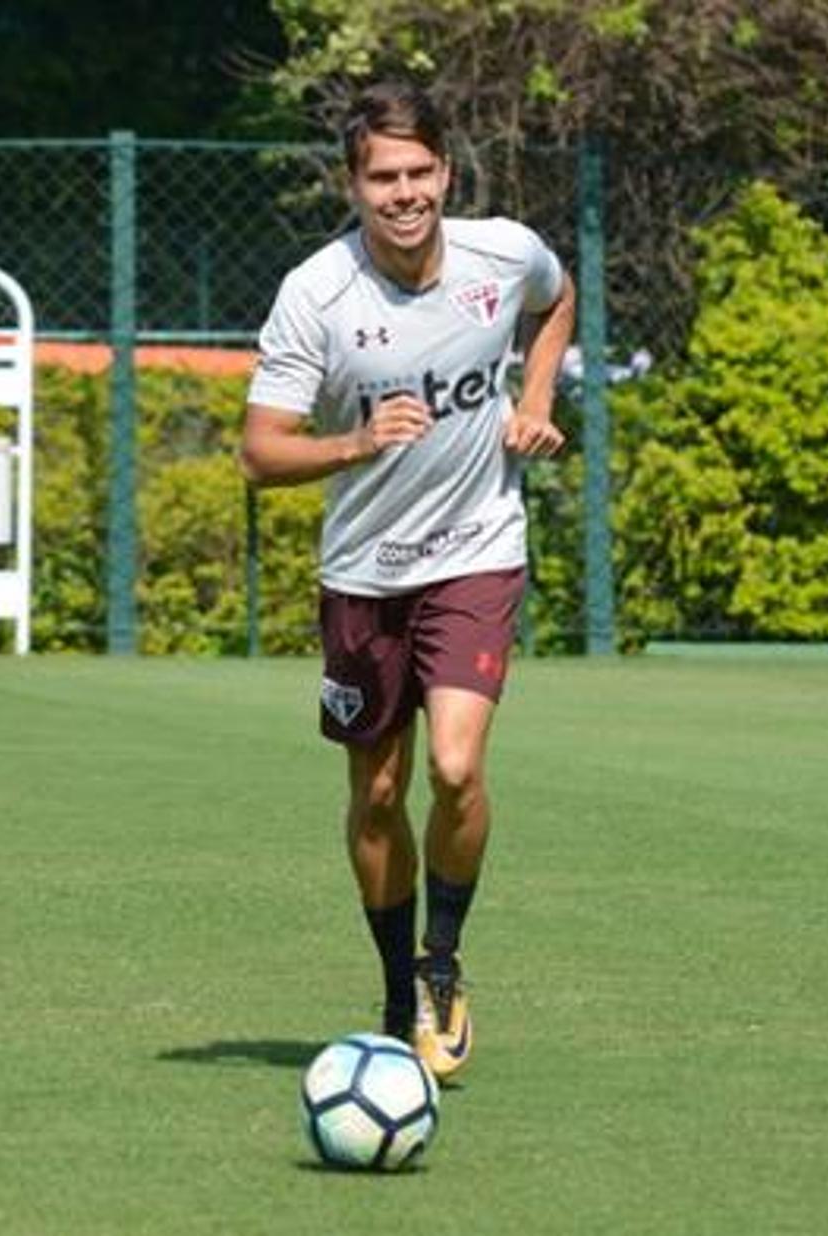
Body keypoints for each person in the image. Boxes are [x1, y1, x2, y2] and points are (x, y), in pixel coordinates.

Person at [238, 80, 576, 1079]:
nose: (404, 193)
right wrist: (355, 443)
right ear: (353, 185)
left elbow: (557, 299)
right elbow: (260, 453)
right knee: (377, 793)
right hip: (365, 572)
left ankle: (442, 967)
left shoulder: (503, 253)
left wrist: (536, 393)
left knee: (458, 767)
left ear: (447, 174)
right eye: (382, 176)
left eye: (419, 172)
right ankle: (393, 995)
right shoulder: (316, 293)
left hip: (479, 546)